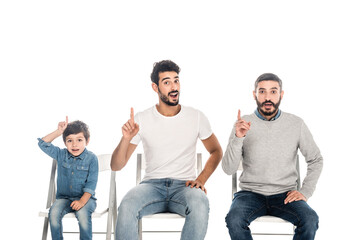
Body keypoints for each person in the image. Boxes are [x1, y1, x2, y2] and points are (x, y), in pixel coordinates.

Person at [111, 60, 223, 240]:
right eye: (167, 82)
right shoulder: (142, 118)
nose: (174, 87)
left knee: (200, 202)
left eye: (176, 80)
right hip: (151, 186)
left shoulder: (196, 116)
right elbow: (116, 165)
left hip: (184, 187)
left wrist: (201, 179)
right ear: (155, 87)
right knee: (127, 205)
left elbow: (216, 151)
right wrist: (125, 139)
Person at [222, 73, 323, 240]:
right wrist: (238, 137)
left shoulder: (296, 124)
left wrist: (305, 192)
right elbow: (228, 169)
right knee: (233, 219)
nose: (267, 97)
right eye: (262, 92)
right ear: (254, 95)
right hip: (250, 194)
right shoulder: (243, 123)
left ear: (281, 95)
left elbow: (316, 159)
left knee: (310, 219)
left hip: (285, 195)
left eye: (273, 91)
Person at [38, 117, 98, 240]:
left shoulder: (92, 159)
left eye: (79, 140)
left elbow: (91, 184)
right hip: (64, 198)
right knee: (54, 213)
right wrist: (58, 132)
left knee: (82, 214)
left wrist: (82, 201)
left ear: (87, 141)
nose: (74, 144)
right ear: (65, 142)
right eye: (69, 140)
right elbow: (43, 144)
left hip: (86, 199)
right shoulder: (61, 154)